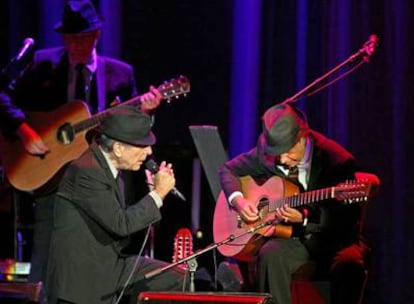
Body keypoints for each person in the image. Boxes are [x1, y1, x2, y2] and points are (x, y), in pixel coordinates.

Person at [0, 0, 162, 288]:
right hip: (53, 172)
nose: (75, 45)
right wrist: (23, 129)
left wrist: (146, 110)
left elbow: (132, 126)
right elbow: (3, 97)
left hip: (102, 172)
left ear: (96, 35)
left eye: (82, 37)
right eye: (69, 38)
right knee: (47, 245)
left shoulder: (120, 74)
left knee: (107, 238)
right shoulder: (43, 64)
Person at [219, 103, 378, 304]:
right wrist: (238, 201)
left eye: (287, 152)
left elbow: (345, 221)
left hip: (334, 238)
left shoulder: (337, 160)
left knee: (350, 265)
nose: (282, 160)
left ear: (303, 138)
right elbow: (227, 170)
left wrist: (304, 218)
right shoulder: (267, 152)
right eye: (277, 153)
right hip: (294, 239)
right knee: (270, 254)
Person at [46, 105, 185, 304]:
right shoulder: (86, 172)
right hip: (85, 279)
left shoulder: (111, 170)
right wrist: (157, 194)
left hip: (109, 266)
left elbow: (125, 231)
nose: (149, 152)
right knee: (171, 280)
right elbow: (121, 225)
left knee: (175, 278)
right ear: (119, 148)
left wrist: (153, 194)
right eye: (143, 146)